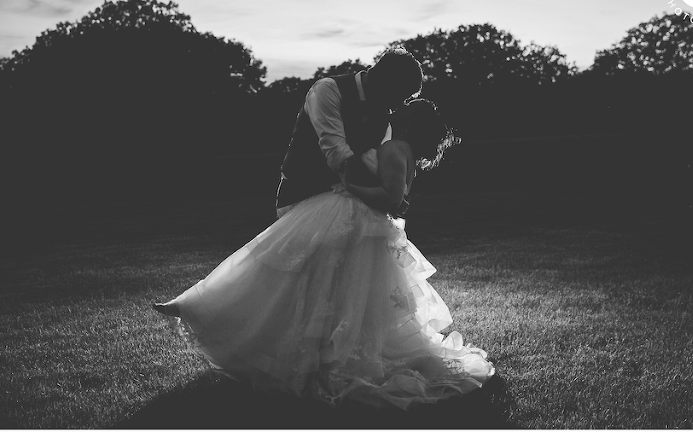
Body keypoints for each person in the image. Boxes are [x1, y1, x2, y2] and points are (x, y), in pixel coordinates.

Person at [154, 99, 495, 409]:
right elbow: (401, 201)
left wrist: (350, 187)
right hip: (357, 223)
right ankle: (208, 307)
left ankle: (211, 309)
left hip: (354, 218)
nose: (395, 110)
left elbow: (392, 200)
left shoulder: (393, 148)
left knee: (286, 268)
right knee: (317, 284)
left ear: (410, 120)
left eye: (404, 110)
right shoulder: (402, 150)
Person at [275, 47, 423, 219]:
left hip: (350, 201)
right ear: (383, 81)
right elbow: (338, 154)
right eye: (399, 95)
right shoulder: (327, 89)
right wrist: (388, 195)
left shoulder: (384, 114)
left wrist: (391, 195)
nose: (399, 105)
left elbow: (376, 163)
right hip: (302, 196)